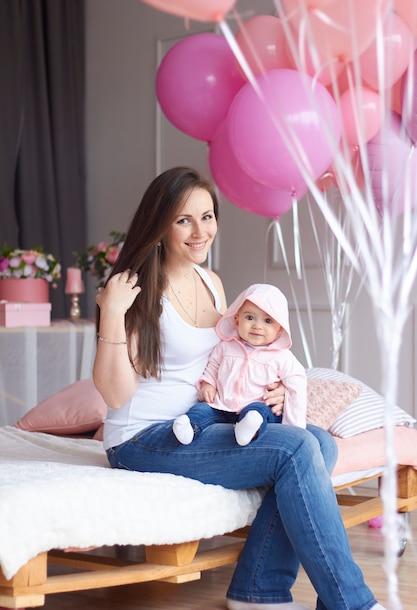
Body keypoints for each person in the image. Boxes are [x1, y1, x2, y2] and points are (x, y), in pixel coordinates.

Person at [93, 166, 386, 610]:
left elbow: (233, 362)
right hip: (143, 438)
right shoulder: (135, 288)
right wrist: (112, 314)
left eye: (207, 216)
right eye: (184, 219)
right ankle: (351, 604)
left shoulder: (212, 283)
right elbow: (115, 396)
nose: (200, 231)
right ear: (160, 224)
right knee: (297, 449)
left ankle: (259, 591)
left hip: (205, 424)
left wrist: (277, 392)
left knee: (319, 441)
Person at [173, 283, 307, 446]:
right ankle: (189, 427)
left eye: (267, 320)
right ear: (237, 320)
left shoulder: (282, 357)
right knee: (202, 410)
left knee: (259, 413)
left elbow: (297, 386)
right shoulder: (226, 346)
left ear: (280, 329)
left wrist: (294, 428)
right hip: (222, 406)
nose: (257, 326)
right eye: (250, 318)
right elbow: (213, 367)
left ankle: (249, 429)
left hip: (257, 407)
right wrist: (208, 385)